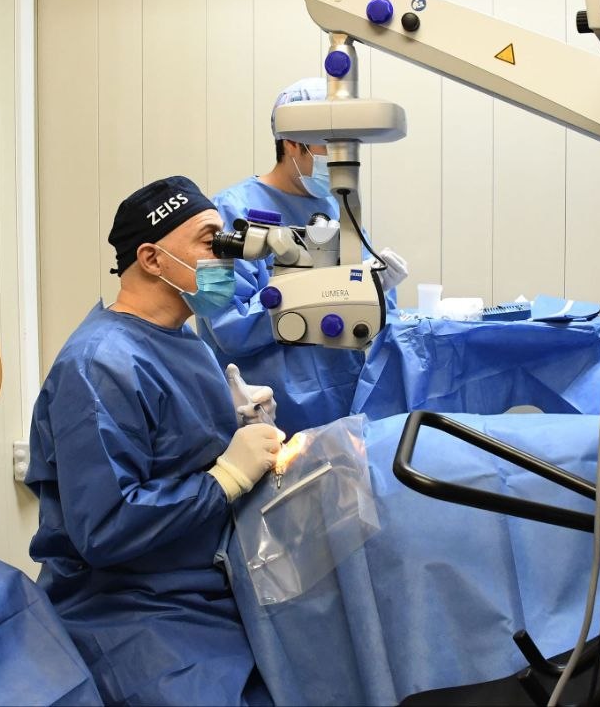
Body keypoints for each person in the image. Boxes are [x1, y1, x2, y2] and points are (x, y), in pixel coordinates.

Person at [25, 175, 281, 707]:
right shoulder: (99, 365)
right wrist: (226, 476)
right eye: (211, 242)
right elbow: (104, 528)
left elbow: (176, 452)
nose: (228, 259)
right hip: (130, 607)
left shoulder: (184, 340)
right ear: (152, 258)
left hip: (205, 584)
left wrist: (239, 427)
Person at [197, 78, 409, 430]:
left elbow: (368, 320)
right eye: (330, 146)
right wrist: (321, 289)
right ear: (292, 142)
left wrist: (375, 287)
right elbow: (227, 327)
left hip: (344, 405)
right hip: (271, 412)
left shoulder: (338, 207)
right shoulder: (230, 210)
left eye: (349, 146)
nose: (341, 158)